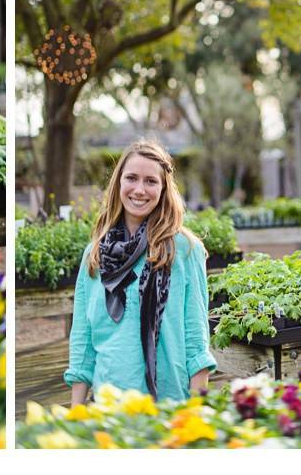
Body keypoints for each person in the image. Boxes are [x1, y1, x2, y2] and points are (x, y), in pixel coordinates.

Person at [65, 139, 216, 405]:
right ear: (118, 184)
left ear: (163, 188)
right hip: (109, 407)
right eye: (131, 178)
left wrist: (196, 413)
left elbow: (196, 343)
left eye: (150, 181)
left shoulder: (183, 250)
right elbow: (83, 343)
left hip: (168, 406)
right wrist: (75, 413)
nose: (139, 189)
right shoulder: (95, 254)